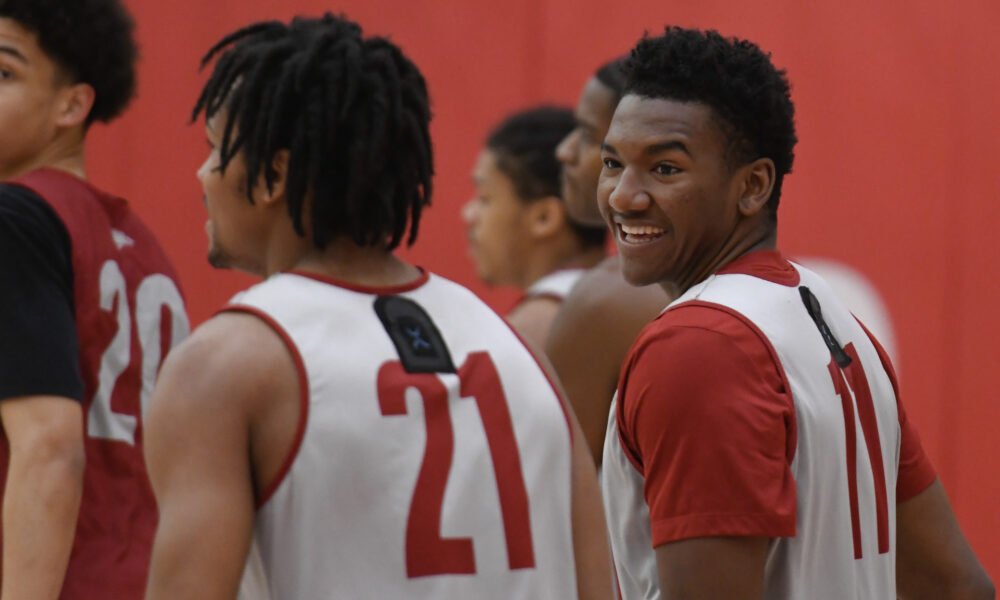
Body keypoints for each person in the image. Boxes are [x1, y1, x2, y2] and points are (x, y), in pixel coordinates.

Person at [143, 14, 612, 600]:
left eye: (216, 150)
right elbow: (600, 586)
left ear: (273, 176)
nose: (202, 174)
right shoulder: (523, 353)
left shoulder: (223, 366)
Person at [598, 27, 994, 599]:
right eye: (613, 162)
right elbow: (958, 587)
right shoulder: (835, 319)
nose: (622, 195)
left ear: (754, 185)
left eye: (665, 169)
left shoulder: (697, 345)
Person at [0, 1, 189, 598]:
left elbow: (50, 448)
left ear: (72, 105)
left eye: (4, 73)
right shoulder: (147, 248)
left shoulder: (14, 220)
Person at [547, 59, 671, 463]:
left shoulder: (602, 301)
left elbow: (559, 488)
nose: (564, 151)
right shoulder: (799, 290)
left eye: (587, 135)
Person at [463, 105, 606, 349]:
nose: (468, 214)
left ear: (544, 218)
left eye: (485, 198)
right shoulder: (629, 298)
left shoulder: (530, 330)